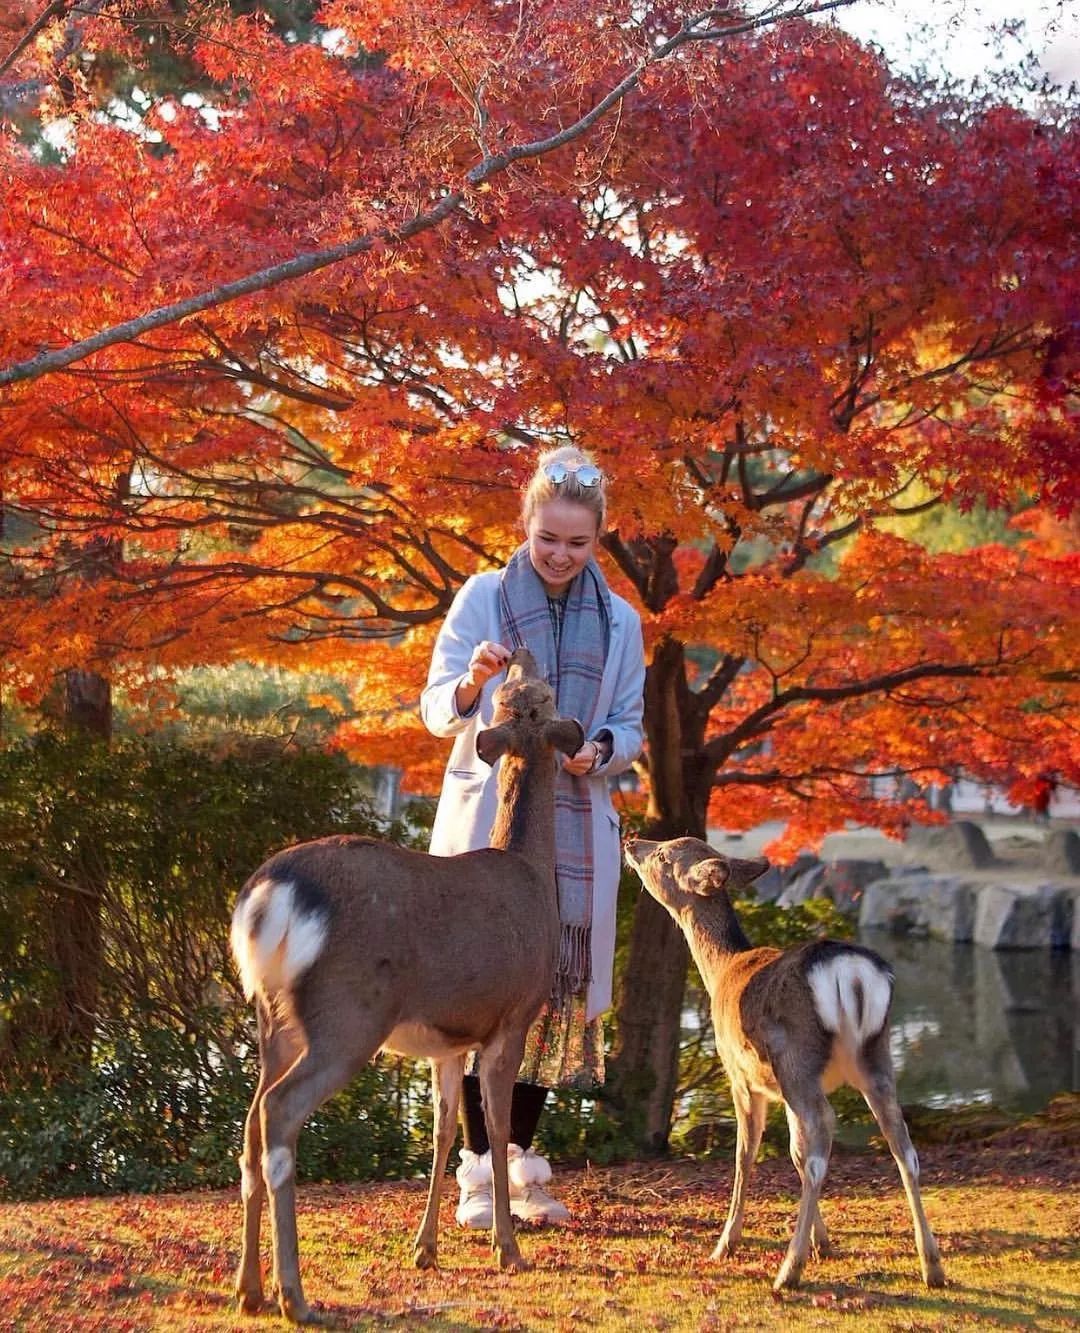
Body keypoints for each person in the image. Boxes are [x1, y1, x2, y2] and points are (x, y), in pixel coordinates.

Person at [420, 445, 646, 1228]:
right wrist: (473, 685)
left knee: (546, 996)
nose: (560, 554)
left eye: (578, 543)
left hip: (575, 831)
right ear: (526, 525)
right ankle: (476, 1171)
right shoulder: (483, 597)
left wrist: (601, 751)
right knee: (482, 989)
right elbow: (432, 711)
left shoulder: (621, 621)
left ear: (598, 540)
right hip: (489, 830)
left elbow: (630, 723)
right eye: (548, 537)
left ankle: (520, 1164)